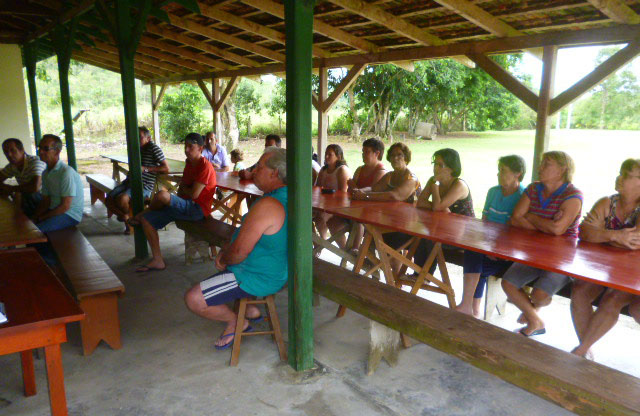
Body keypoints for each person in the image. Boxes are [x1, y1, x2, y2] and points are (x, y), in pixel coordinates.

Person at [184, 147, 288, 350]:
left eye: (259, 166)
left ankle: (236, 321)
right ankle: (250, 310)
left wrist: (224, 258)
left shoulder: (269, 204)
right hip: (275, 269)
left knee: (194, 299)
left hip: (256, 276)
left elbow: (239, 253)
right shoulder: (289, 197)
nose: (255, 170)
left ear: (274, 173)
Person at [502, 151, 583, 337]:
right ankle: (535, 320)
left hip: (562, 258)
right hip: (533, 252)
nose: (540, 167)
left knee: (539, 295)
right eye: (541, 163)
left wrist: (530, 216)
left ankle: (532, 312)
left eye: (547, 164)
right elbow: (515, 218)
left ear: (563, 169)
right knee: (508, 283)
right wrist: (545, 225)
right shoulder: (533, 189)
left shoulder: (573, 195)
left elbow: (558, 230)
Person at [570, 158, 640, 359]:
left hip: (633, 274)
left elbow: (635, 242)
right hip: (605, 267)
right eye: (620, 173)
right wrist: (616, 236)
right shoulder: (607, 202)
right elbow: (584, 232)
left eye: (626, 175)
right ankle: (585, 349)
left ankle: (581, 351)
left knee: (613, 298)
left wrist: (601, 234)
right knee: (580, 290)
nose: (619, 178)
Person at [132, 133, 217, 272]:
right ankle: (158, 260)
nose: (187, 150)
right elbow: (183, 189)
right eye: (185, 146)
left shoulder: (205, 167)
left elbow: (194, 194)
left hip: (197, 210)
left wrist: (183, 189)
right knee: (147, 221)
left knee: (162, 195)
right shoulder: (189, 163)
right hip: (185, 206)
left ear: (200, 148)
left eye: (191, 147)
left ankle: (142, 213)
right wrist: (183, 190)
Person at [456, 155, 526, 317]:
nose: (499, 174)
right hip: (487, 247)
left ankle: (470, 306)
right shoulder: (493, 192)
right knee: (473, 253)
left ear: (518, 174)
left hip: (507, 254)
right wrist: (486, 246)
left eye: (503, 171)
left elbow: (517, 232)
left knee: (474, 259)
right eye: (499, 170)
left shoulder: (523, 197)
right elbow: (484, 222)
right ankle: (472, 308)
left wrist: (495, 249)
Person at [105, 126, 169, 234]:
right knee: (108, 200)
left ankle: (129, 225)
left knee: (122, 199)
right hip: (129, 182)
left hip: (144, 185)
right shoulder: (135, 148)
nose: (136, 139)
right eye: (135, 137)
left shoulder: (154, 148)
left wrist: (146, 169)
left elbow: (166, 168)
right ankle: (126, 217)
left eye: (140, 137)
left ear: (148, 138)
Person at [32, 134, 84, 232]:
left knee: (36, 232)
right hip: (55, 209)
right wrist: (34, 217)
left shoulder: (66, 172)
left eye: (46, 149)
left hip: (69, 214)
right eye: (40, 148)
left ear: (57, 152)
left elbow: (65, 206)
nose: (41, 152)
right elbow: (46, 201)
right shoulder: (46, 173)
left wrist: (41, 218)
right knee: (30, 225)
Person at [347, 138, 387, 251]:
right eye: (363, 152)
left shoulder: (381, 171)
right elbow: (350, 190)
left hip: (371, 213)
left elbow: (372, 191)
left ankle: (356, 249)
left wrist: (355, 188)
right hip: (355, 208)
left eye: (367, 152)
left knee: (359, 221)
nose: (363, 155)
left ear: (377, 153)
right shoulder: (360, 169)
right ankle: (347, 252)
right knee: (332, 221)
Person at [351, 142, 420, 204]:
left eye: (399, 155)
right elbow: (374, 189)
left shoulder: (411, 179)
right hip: (392, 213)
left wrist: (365, 196)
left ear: (406, 159)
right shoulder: (389, 176)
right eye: (392, 155)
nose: (395, 158)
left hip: (410, 216)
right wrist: (359, 191)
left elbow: (394, 196)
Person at [314, 144, 352, 249]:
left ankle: (325, 246)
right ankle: (320, 243)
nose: (326, 157)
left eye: (329, 155)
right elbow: (317, 188)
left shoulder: (341, 170)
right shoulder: (323, 170)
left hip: (339, 207)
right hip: (324, 205)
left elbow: (343, 193)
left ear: (338, 157)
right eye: (326, 154)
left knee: (320, 218)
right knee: (308, 217)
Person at [0, 138, 46, 217]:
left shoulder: (35, 162)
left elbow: (35, 187)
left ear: (22, 150)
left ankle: (29, 222)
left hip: (46, 198)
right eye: (6, 152)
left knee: (26, 194)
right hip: (30, 198)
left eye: (13, 150)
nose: (9, 155)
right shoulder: (12, 166)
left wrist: (11, 188)